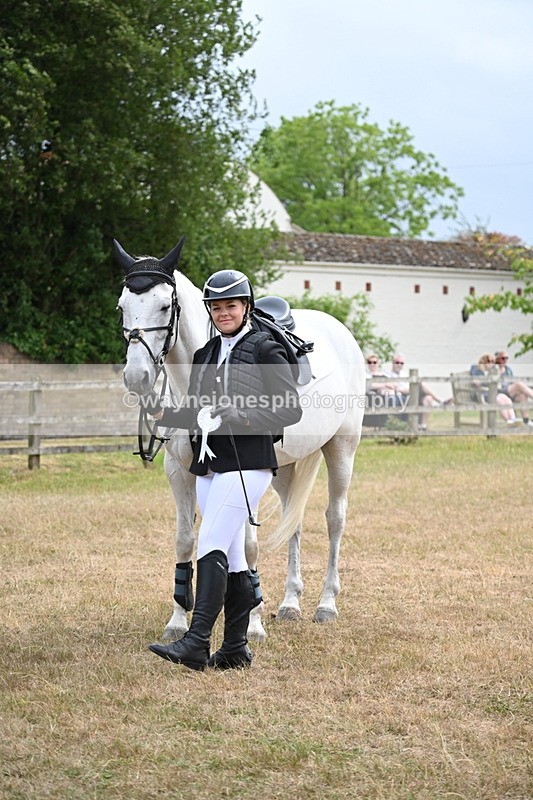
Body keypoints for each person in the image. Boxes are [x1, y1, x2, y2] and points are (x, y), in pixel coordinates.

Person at [147, 269, 303, 671]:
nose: (223, 313)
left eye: (230, 306)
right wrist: (167, 412)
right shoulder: (205, 355)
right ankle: (235, 648)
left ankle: (196, 642)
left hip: (248, 464)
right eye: (215, 308)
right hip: (210, 467)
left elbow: (290, 408)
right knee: (233, 558)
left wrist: (243, 414)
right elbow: (200, 413)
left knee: (209, 544)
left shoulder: (268, 349)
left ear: (245, 306)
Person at [388, 353, 447, 431]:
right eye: (397, 362)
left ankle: (423, 425)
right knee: (421, 385)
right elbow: (393, 388)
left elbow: (408, 386)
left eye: (401, 363)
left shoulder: (404, 374)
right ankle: (439, 400)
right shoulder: (388, 375)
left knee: (428, 398)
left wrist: (408, 390)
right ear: (393, 363)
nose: (399, 365)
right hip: (403, 396)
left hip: (412, 393)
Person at [470, 354, 521, 426]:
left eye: (493, 361)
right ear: (483, 361)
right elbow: (477, 383)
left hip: (493, 392)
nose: (491, 363)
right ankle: (509, 421)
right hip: (482, 394)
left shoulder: (494, 371)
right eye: (489, 361)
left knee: (506, 398)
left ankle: (513, 419)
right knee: (499, 400)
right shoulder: (477, 369)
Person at [495, 350, 533, 427]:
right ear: (497, 359)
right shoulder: (494, 368)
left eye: (506, 358)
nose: (505, 360)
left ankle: (526, 420)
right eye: (503, 358)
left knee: (522, 394)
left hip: (508, 392)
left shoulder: (508, 370)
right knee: (519, 385)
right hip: (498, 391)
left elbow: (511, 382)